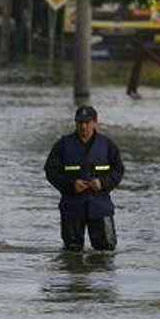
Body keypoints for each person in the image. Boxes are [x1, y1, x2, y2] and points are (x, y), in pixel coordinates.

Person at [44, 105, 125, 251]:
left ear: (95, 123)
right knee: (72, 252)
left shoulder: (107, 145)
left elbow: (119, 170)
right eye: (80, 122)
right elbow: (50, 171)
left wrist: (103, 182)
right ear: (75, 123)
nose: (83, 126)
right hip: (72, 207)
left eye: (87, 122)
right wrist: (71, 184)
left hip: (101, 206)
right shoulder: (63, 145)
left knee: (106, 250)